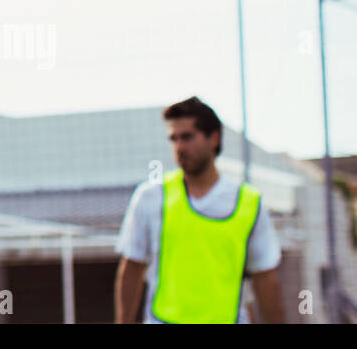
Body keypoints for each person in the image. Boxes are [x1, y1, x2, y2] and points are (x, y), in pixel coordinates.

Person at [114, 97, 284, 324]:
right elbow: (132, 266)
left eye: (187, 137)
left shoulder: (249, 202)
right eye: (173, 139)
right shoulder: (150, 197)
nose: (179, 147)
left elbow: (265, 277)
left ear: (214, 138)